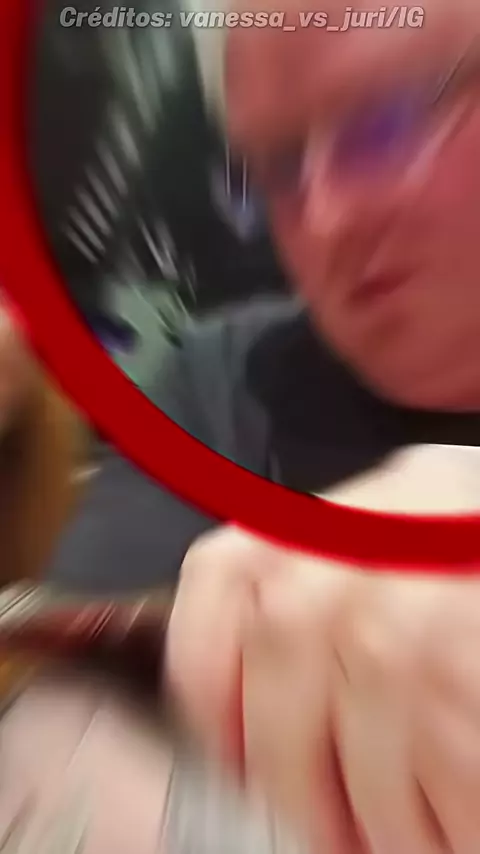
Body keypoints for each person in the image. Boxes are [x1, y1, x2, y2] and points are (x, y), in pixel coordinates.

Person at [41, 0, 480, 851]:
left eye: (385, 127)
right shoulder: (223, 385)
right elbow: (63, 704)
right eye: (277, 167)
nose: (326, 219)